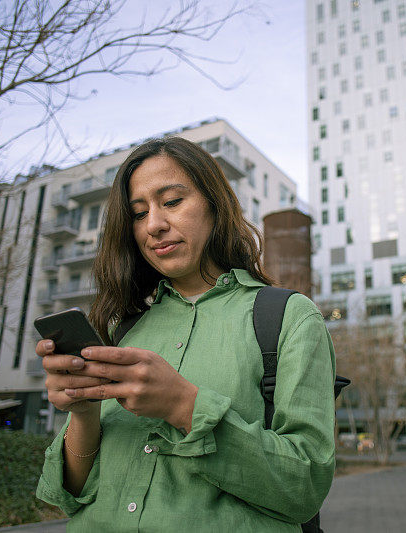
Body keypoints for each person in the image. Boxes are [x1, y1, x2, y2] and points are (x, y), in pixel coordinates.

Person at [35, 137, 337, 531]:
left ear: (215, 204)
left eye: (172, 202)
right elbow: (72, 494)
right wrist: (84, 412)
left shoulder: (287, 316)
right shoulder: (122, 328)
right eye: (139, 213)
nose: (154, 225)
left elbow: (306, 487)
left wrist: (183, 405)